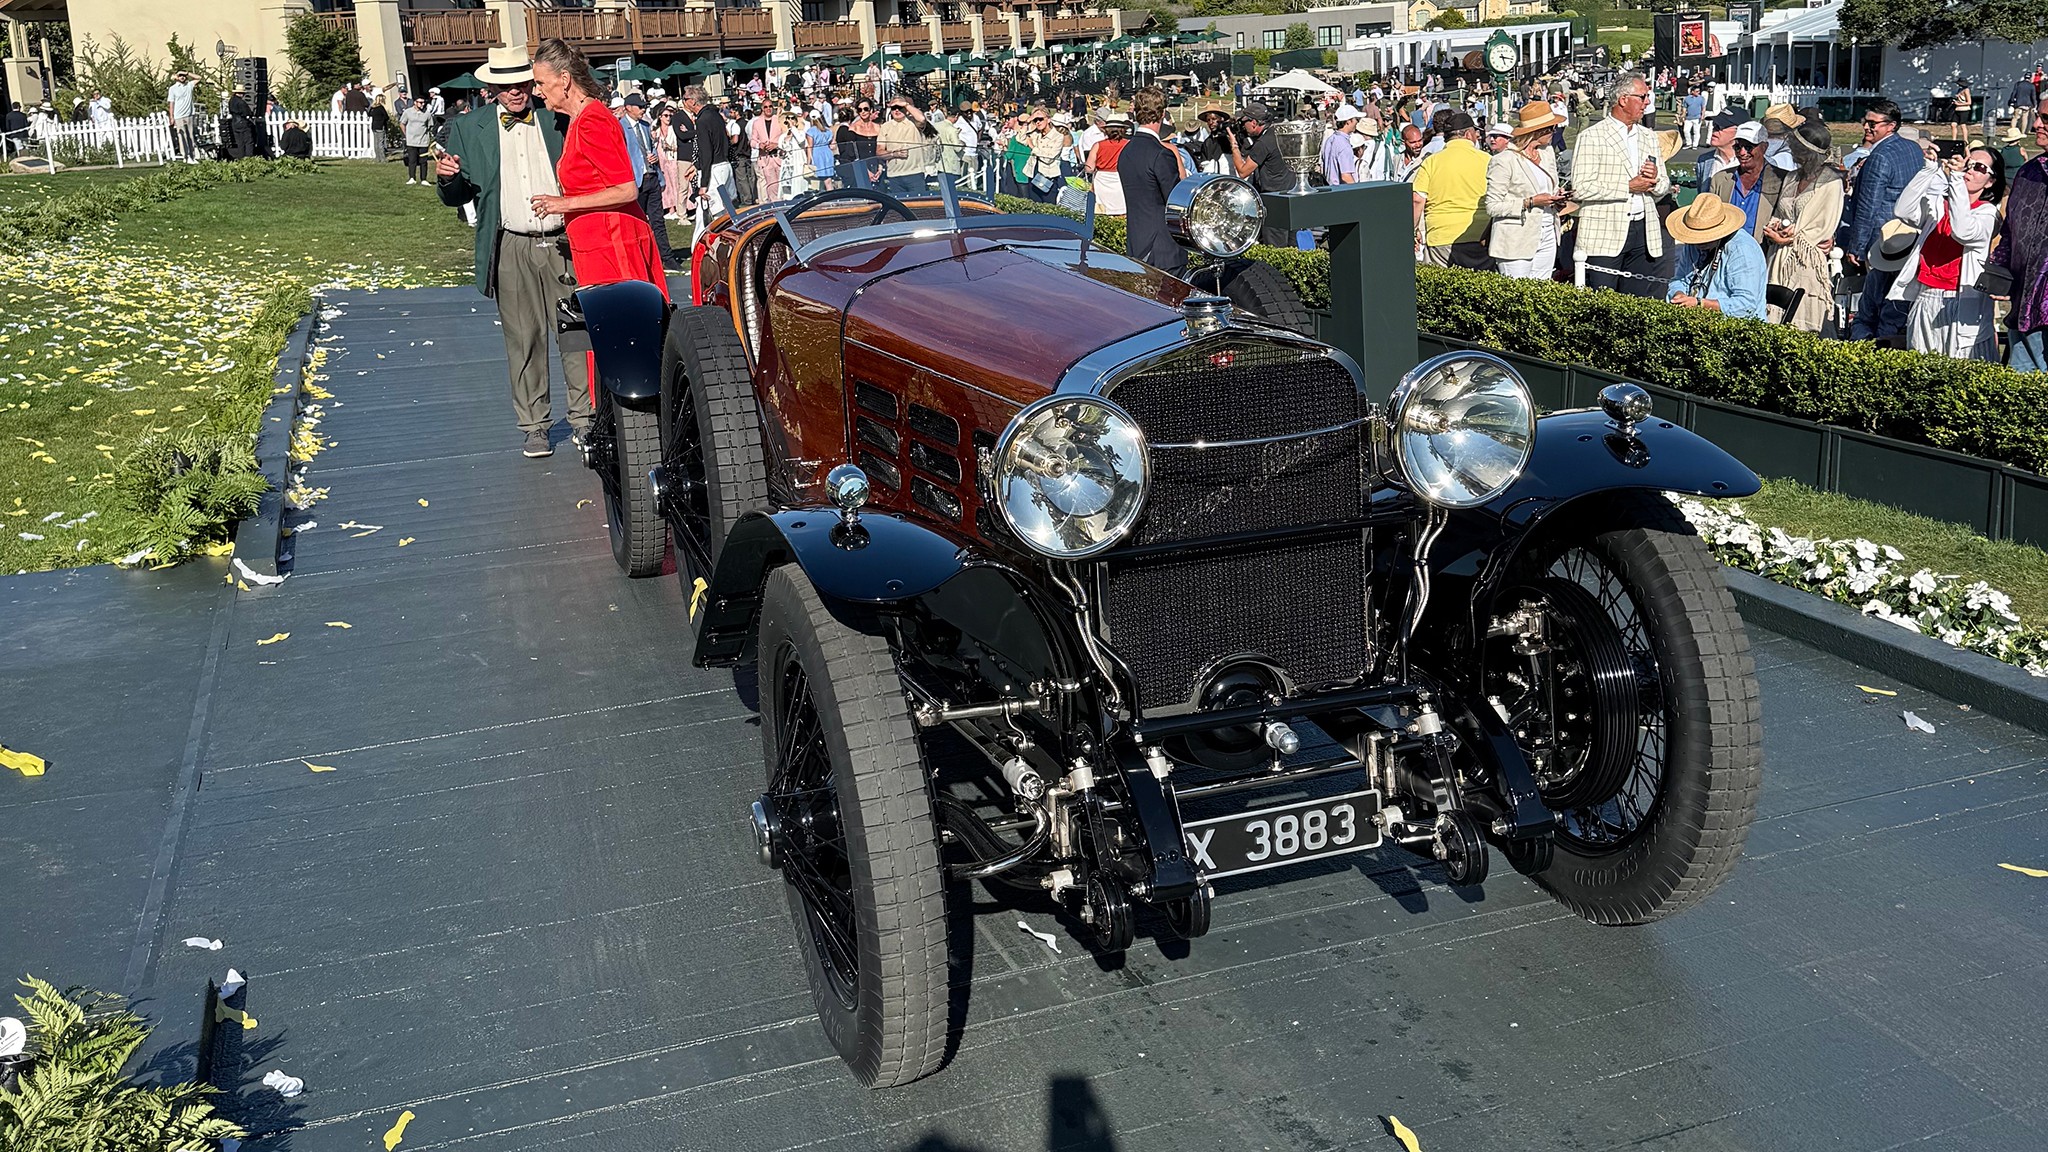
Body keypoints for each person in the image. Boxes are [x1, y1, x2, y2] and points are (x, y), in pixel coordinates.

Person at [435, 44, 589, 460]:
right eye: (504, 85)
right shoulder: (470, 129)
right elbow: (458, 193)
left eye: (520, 82)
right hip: (511, 245)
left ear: (532, 81)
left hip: (563, 242)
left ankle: (584, 419)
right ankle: (535, 425)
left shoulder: (557, 117)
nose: (514, 92)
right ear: (491, 88)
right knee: (524, 338)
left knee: (575, 333)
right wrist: (448, 179)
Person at [1890, 147, 2004, 360]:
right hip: (1926, 295)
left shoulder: (1988, 214)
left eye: (1979, 167)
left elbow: (1962, 230)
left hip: (1962, 302)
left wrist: (1957, 180)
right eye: (1968, 163)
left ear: (1990, 181)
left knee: (1965, 374)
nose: (1969, 169)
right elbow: (1903, 211)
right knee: (1922, 370)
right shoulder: (1939, 205)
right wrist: (1929, 169)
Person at [1573, 72, 1670, 297]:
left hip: (1644, 231)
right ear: (1623, 99)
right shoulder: (1592, 136)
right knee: (1602, 304)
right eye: (1643, 97)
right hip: (1604, 233)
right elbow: (1580, 187)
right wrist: (1627, 186)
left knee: (1637, 305)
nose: (1648, 102)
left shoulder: (1649, 137)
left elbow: (1664, 184)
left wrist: (1654, 180)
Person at [1840, 98, 1919, 340]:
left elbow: (1867, 206)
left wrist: (1857, 247)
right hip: (1908, 238)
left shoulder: (1879, 158)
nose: (1867, 127)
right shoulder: (1912, 148)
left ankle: (1877, 347)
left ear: (1891, 125)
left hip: (1882, 241)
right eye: (1866, 121)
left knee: (1876, 303)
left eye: (1873, 123)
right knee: (1899, 300)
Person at [1762, 118, 1844, 333]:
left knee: (1802, 318)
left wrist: (1791, 237)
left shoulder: (1831, 182)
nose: (1791, 150)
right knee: (1774, 315)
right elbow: (1780, 212)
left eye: (1796, 148)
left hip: (1806, 258)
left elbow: (1823, 225)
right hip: (1779, 256)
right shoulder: (1791, 177)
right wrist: (1775, 228)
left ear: (1808, 152)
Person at [1989, 96, 2048, 371]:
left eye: (2046, 119)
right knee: (2020, 395)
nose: (2037, 124)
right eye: (2038, 116)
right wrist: (1998, 273)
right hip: (2024, 308)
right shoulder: (2028, 173)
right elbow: (2010, 232)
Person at [1485, 100, 1568, 281]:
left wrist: (1558, 197)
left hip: (1547, 232)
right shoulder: (1504, 160)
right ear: (1539, 130)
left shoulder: (1547, 153)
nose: (1555, 132)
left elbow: (1550, 188)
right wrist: (1530, 202)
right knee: (1516, 296)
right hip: (1516, 239)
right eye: (1552, 127)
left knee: (1542, 292)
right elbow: (1492, 206)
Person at [1665, 193, 1768, 320]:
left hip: (1737, 327)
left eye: (1704, 238)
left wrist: (1700, 304)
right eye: (1694, 237)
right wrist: (1679, 295)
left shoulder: (1742, 250)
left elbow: (1745, 306)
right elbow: (1680, 279)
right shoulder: (1692, 244)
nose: (1698, 243)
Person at [1410, 112, 1491, 269]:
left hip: (1440, 235)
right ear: (1468, 134)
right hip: (1480, 234)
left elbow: (1417, 200)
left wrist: (1412, 231)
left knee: (1440, 290)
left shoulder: (1432, 162)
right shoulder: (1487, 160)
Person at [1122, 86, 1187, 277]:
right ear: (1163, 114)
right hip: (1164, 250)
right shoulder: (1161, 154)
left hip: (1136, 244)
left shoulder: (1126, 152)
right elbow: (1176, 202)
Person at [1226, 101, 1293, 246]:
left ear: (1254, 123)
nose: (1243, 126)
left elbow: (1243, 171)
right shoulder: (1281, 133)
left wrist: (1234, 145)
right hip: (1291, 197)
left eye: (1244, 122)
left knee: (1275, 247)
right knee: (1292, 247)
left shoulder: (1263, 143)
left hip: (1274, 199)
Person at [1710, 122, 1786, 242]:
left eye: (1749, 147)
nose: (1742, 153)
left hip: (1762, 252)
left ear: (1764, 147)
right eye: (1738, 147)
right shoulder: (1720, 179)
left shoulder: (1781, 179)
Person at [682, 84, 737, 233]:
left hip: (714, 170)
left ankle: (700, 251)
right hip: (724, 167)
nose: (684, 102)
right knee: (726, 214)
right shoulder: (716, 115)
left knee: (707, 215)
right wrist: (696, 165)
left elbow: (707, 152)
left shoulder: (702, 120)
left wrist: (703, 184)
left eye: (685, 99)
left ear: (693, 101)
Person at [1086, 107, 1130, 215]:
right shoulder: (1129, 144)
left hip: (1102, 181)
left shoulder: (1098, 145)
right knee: (1122, 211)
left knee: (1102, 212)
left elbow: (1089, 168)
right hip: (1121, 180)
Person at [1323, 104, 1362, 185]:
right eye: (1356, 119)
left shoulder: (1330, 139)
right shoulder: (1344, 145)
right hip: (1341, 192)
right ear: (1348, 121)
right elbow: (1346, 176)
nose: (1357, 122)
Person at [166, 70, 198, 163]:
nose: (182, 77)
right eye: (180, 76)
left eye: (184, 76)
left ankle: (192, 156)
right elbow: (171, 103)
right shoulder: (173, 88)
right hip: (178, 115)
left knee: (190, 135)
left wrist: (187, 73)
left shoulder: (189, 85)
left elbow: (199, 78)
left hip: (189, 114)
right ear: (177, 77)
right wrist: (171, 117)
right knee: (182, 136)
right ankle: (186, 156)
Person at [226, 87, 258, 159]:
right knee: (248, 141)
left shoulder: (231, 101)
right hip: (243, 123)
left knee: (239, 142)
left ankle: (240, 157)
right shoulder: (241, 102)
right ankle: (248, 157)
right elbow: (247, 113)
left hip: (234, 122)